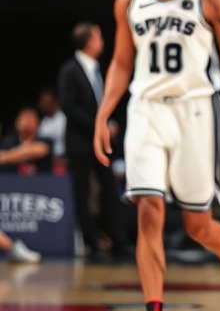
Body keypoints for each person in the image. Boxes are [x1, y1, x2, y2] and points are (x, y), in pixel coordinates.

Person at [93, 0, 220, 311]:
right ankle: (154, 305)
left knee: (198, 226)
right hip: (145, 108)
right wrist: (103, 113)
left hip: (195, 110)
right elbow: (121, 62)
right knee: (149, 210)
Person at [58, 21, 132, 262]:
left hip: (101, 142)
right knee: (82, 193)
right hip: (80, 142)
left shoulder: (98, 69)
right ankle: (93, 244)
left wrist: (107, 125)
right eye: (98, 37)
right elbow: (69, 107)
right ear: (89, 41)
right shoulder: (70, 70)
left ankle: (119, 241)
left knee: (110, 190)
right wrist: (99, 125)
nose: (102, 41)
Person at [0, 105, 52, 174]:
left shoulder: (45, 140)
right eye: (24, 117)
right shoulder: (7, 142)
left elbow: (40, 150)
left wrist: (7, 156)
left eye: (30, 118)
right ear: (16, 122)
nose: (27, 121)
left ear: (38, 123)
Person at [36, 87, 66, 168]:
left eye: (45, 100)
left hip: (63, 160)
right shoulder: (43, 121)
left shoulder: (64, 119)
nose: (42, 103)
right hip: (45, 161)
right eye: (41, 100)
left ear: (55, 101)